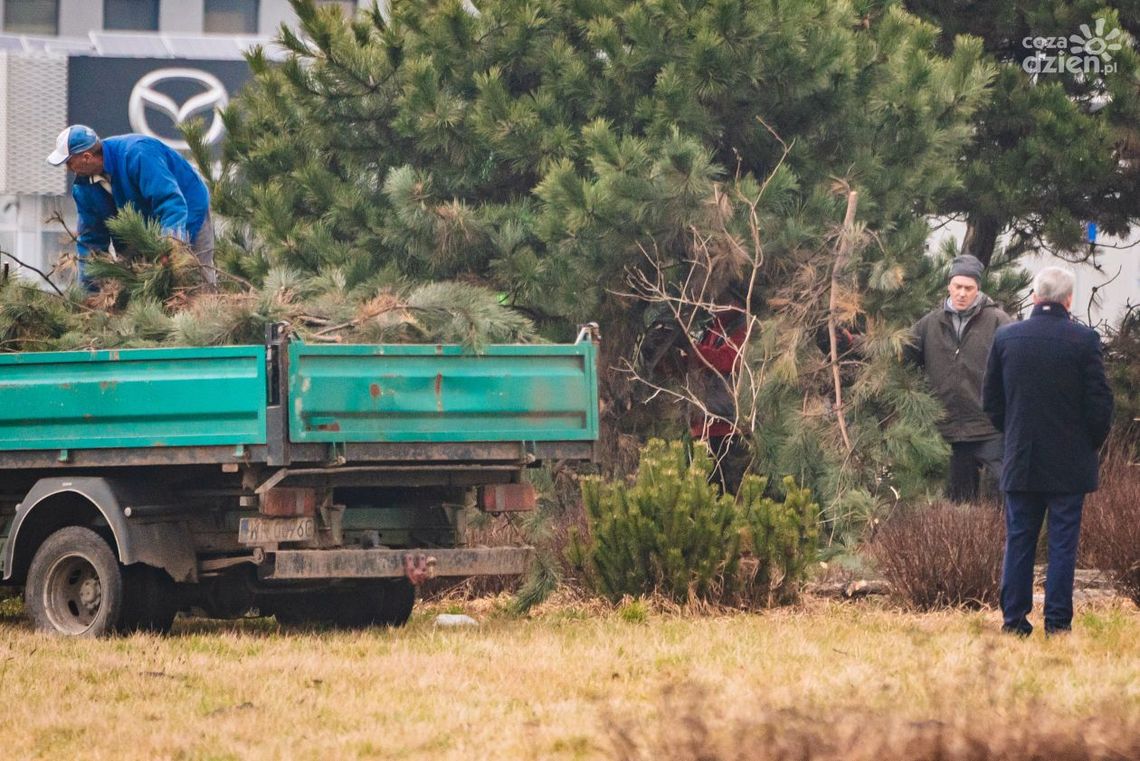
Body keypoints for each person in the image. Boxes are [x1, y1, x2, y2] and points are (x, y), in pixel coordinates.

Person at [983, 266, 1114, 637]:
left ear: (1035, 296)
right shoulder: (1084, 340)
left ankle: (1013, 620)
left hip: (1021, 457)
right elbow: (1100, 403)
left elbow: (990, 400)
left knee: (1019, 540)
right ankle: (1057, 623)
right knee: (1062, 545)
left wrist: (1013, 434)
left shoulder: (1007, 338)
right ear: (1068, 299)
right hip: (1070, 462)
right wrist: (1089, 442)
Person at [46, 124, 215, 289]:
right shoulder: (84, 188)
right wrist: (89, 295)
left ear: (87, 157)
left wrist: (169, 250)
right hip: (140, 225)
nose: (68, 169)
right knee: (139, 285)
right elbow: (91, 240)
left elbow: (171, 203)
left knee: (194, 279)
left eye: (69, 163)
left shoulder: (137, 154)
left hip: (189, 208)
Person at [907, 254, 1013, 502]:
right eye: (958, 287)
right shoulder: (929, 324)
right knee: (958, 504)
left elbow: (1017, 367)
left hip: (989, 426)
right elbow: (899, 353)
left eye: (969, 288)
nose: (962, 293)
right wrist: (852, 342)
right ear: (949, 286)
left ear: (978, 289)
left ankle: (1002, 540)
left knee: (1002, 494)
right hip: (947, 428)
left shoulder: (999, 322)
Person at [689, 292, 752, 495]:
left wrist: (692, 351)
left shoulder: (745, 327)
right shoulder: (709, 329)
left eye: (723, 298)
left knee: (731, 496)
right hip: (703, 427)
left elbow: (728, 360)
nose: (715, 304)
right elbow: (692, 365)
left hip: (729, 429)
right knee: (704, 498)